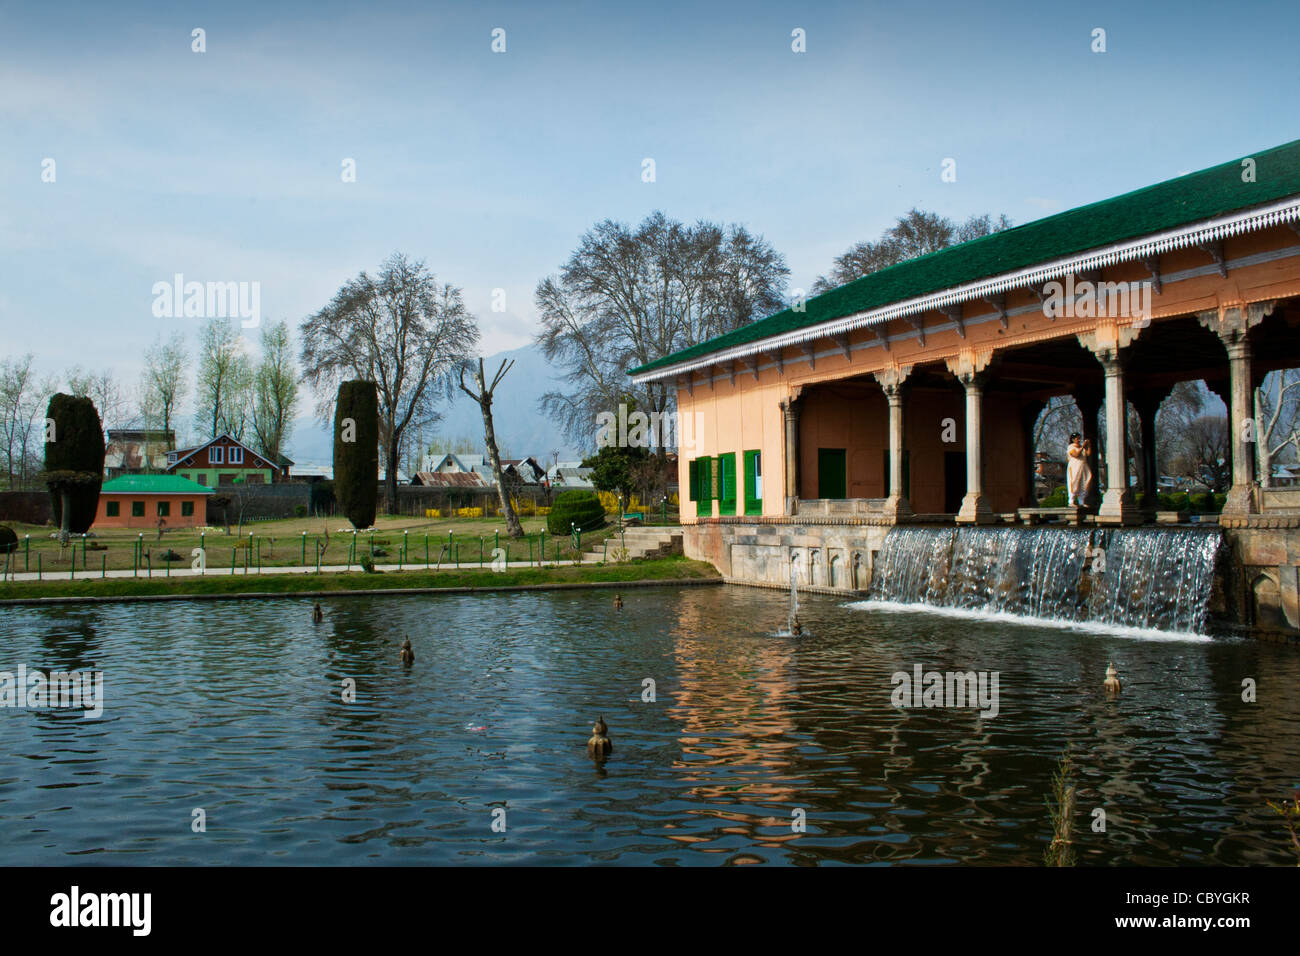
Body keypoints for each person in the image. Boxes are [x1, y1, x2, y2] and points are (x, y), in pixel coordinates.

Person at [1067, 433, 1092, 507]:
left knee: (1084, 482)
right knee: (1074, 482)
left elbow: (1088, 454)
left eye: (1079, 438)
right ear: (1073, 439)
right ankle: (1071, 501)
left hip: (1083, 466)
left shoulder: (1082, 447)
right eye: (1077, 438)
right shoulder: (1071, 447)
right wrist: (1083, 446)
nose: (1078, 440)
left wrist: (1088, 445)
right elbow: (1076, 454)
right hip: (1075, 466)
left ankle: (1081, 501)